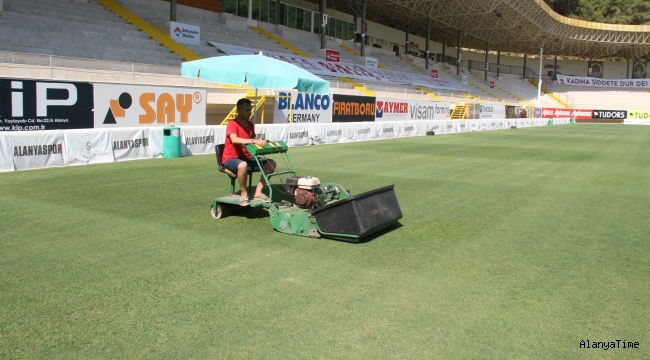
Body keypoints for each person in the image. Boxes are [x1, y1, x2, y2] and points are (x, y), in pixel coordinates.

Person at [222, 98, 276, 206]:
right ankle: (244, 194)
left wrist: (263, 142)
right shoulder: (232, 123)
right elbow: (234, 140)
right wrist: (254, 140)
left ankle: (258, 192)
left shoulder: (250, 125)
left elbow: (252, 143)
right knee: (243, 165)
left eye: (250, 110)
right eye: (246, 110)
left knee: (271, 163)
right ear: (239, 111)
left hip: (247, 158)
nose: (249, 112)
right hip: (230, 159)